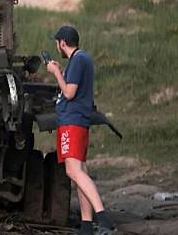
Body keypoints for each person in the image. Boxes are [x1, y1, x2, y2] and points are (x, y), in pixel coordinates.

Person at [46, 26, 115, 235]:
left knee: (72, 171)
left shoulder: (77, 60)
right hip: (77, 121)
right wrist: (62, 71)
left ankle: (103, 217)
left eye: (57, 42)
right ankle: (86, 226)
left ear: (62, 43)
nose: (57, 46)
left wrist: (56, 72)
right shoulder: (80, 60)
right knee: (80, 172)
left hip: (72, 122)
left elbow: (69, 92)